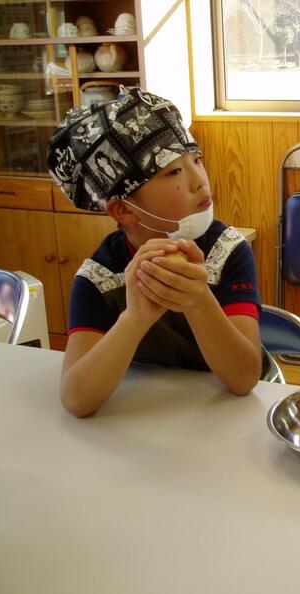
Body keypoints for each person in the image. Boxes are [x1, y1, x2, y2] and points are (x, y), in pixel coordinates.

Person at [47, 88, 262, 417]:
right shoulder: (100, 277)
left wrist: (198, 301)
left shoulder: (227, 251)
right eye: (173, 172)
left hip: (221, 416)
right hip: (145, 419)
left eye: (197, 160)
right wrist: (134, 319)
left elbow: (244, 378)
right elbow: (76, 399)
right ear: (123, 210)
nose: (199, 181)